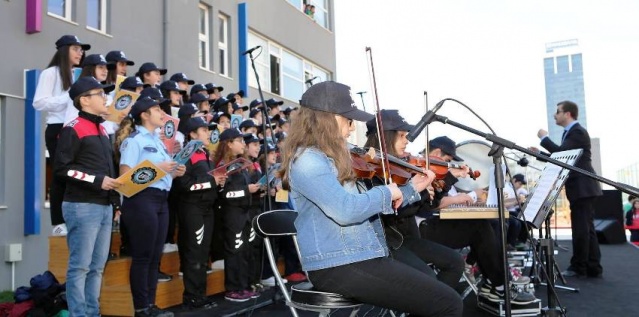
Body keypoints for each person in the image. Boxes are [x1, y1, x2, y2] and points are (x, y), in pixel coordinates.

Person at [278, 81, 462, 316]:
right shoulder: (308, 161)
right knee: (447, 303)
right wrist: (387, 192)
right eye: (348, 119)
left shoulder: (336, 157)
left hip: (363, 255)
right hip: (339, 264)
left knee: (439, 298)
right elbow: (346, 211)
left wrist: (411, 189)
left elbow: (371, 205)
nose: (351, 126)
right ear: (328, 118)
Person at [362, 109, 465, 289]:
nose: (406, 141)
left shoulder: (399, 167)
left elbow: (428, 206)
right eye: (401, 135)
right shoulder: (369, 170)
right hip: (385, 242)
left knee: (455, 262)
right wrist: (420, 192)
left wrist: (443, 182)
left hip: (405, 240)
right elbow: (389, 212)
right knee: (429, 282)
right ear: (385, 137)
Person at [54, 77, 120, 317]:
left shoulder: (102, 128)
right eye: (100, 94)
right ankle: (79, 314)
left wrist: (114, 201)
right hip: (81, 206)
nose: (105, 98)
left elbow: (108, 169)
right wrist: (95, 181)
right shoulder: (72, 128)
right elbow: (62, 169)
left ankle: (93, 313)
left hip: (103, 206)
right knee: (80, 267)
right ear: (84, 100)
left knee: (97, 267)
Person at [115, 96, 186, 317]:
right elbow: (124, 178)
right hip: (141, 200)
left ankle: (151, 304)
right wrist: (159, 168)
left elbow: (162, 175)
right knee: (143, 256)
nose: (161, 113)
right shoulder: (134, 140)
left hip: (161, 199)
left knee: (155, 257)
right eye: (156, 109)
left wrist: (174, 172)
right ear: (144, 115)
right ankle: (142, 308)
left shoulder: (158, 142)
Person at [532, 100, 603, 278]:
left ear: (568, 114)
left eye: (558, 111)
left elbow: (562, 155)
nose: (555, 115)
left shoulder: (577, 132)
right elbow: (562, 156)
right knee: (587, 229)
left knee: (581, 229)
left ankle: (579, 267)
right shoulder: (571, 133)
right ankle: (593, 267)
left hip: (583, 187)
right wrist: (539, 155)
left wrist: (543, 138)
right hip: (583, 187)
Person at [33, 34, 90, 236]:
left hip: (75, 128)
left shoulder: (79, 74)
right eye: (76, 48)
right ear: (64, 50)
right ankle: (58, 221)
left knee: (77, 174)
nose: (80, 53)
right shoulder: (51, 73)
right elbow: (39, 102)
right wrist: (67, 97)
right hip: (57, 127)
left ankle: (73, 218)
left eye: (81, 50)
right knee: (61, 174)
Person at [173, 117, 226, 309]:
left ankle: (200, 294)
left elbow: (209, 181)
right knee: (195, 252)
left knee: (203, 253)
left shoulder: (205, 154)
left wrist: (219, 182)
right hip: (192, 208)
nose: (207, 133)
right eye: (203, 130)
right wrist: (211, 182)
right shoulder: (186, 155)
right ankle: (192, 296)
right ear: (192, 134)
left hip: (207, 209)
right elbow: (184, 185)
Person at [212, 128, 262, 302]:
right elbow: (224, 194)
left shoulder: (242, 165)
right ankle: (233, 288)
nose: (243, 144)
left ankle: (245, 286)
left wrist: (253, 190)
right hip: (232, 213)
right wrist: (246, 191)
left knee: (245, 251)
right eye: (239, 141)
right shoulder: (221, 166)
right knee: (234, 250)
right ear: (229, 144)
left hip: (245, 212)